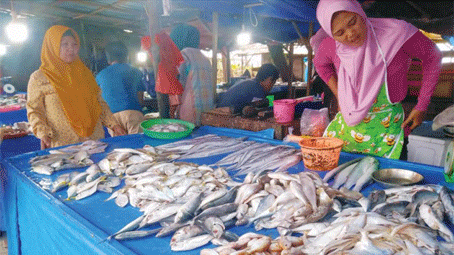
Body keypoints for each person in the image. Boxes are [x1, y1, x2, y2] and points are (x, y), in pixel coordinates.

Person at [312, 0, 442, 159]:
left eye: (352, 22)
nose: (351, 34)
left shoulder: (397, 33)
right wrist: (339, 93)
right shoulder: (330, 45)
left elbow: (432, 56)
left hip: (387, 127)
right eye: (340, 33)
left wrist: (422, 105)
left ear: (360, 12)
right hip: (347, 128)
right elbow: (320, 65)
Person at [27, 25, 126, 149]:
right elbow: (34, 109)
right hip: (63, 142)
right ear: (52, 46)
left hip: (94, 140)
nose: (71, 49)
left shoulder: (84, 73)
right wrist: (42, 132)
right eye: (65, 44)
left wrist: (114, 125)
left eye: (74, 45)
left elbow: (99, 103)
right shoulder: (39, 77)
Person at [96, 41, 146, 136]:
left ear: (108, 59)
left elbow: (100, 98)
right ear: (126, 56)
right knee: (138, 144)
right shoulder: (135, 71)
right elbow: (140, 96)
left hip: (112, 117)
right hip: (133, 112)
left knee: (120, 148)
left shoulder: (100, 75)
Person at [170, 24, 215, 126]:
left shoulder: (183, 55)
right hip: (208, 110)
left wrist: (172, 113)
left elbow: (178, 86)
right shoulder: (205, 57)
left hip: (190, 110)